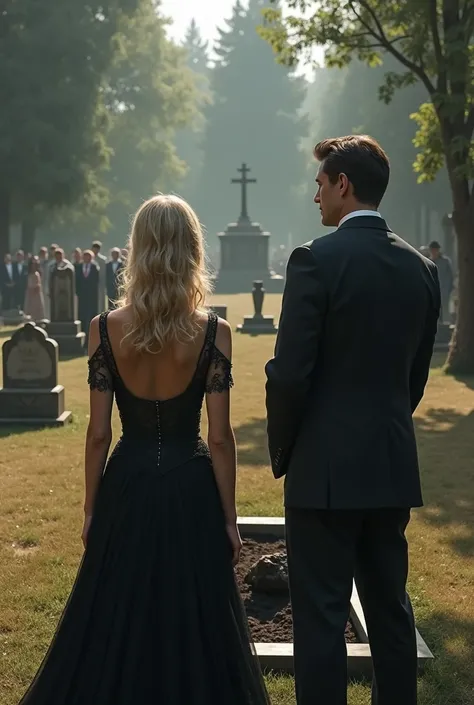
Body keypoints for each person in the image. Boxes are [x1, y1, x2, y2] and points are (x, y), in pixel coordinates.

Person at [18, 194, 270, 705]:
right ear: (191, 249)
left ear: (138, 250)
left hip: (127, 483)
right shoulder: (213, 331)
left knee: (114, 614)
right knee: (196, 616)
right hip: (192, 484)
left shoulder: (103, 330)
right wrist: (230, 517)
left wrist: (92, 507)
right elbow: (219, 436)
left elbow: (98, 433)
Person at [265, 135, 440, 705]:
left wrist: (287, 447)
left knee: (319, 618)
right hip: (389, 462)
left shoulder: (315, 259)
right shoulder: (421, 269)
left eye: (320, 183)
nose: (315, 194)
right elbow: (413, 379)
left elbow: (290, 374)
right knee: (391, 611)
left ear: (343, 184)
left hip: (323, 470)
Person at [76, 250, 100, 345]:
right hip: (81, 298)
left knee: (91, 318)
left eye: (89, 256)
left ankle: (90, 340)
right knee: (81, 316)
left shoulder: (94, 268)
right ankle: (81, 339)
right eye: (85, 256)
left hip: (91, 298)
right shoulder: (78, 267)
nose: (87, 258)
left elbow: (96, 283)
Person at [428, 240, 454, 323]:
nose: (434, 252)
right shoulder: (428, 262)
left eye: (435, 250)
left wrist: (448, 289)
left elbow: (450, 277)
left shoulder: (445, 262)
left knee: (444, 313)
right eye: (432, 250)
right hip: (432, 292)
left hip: (443, 291)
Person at [23, 256, 45, 321]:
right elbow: (29, 284)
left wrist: (37, 287)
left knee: (38, 308)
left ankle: (38, 320)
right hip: (30, 294)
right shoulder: (29, 274)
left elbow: (39, 284)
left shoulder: (37, 273)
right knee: (30, 308)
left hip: (37, 294)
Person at [91, 240, 107, 310]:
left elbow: (103, 273)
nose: (95, 250)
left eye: (97, 248)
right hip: (91, 283)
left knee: (101, 301)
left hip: (100, 283)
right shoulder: (89, 259)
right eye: (94, 248)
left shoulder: (103, 260)